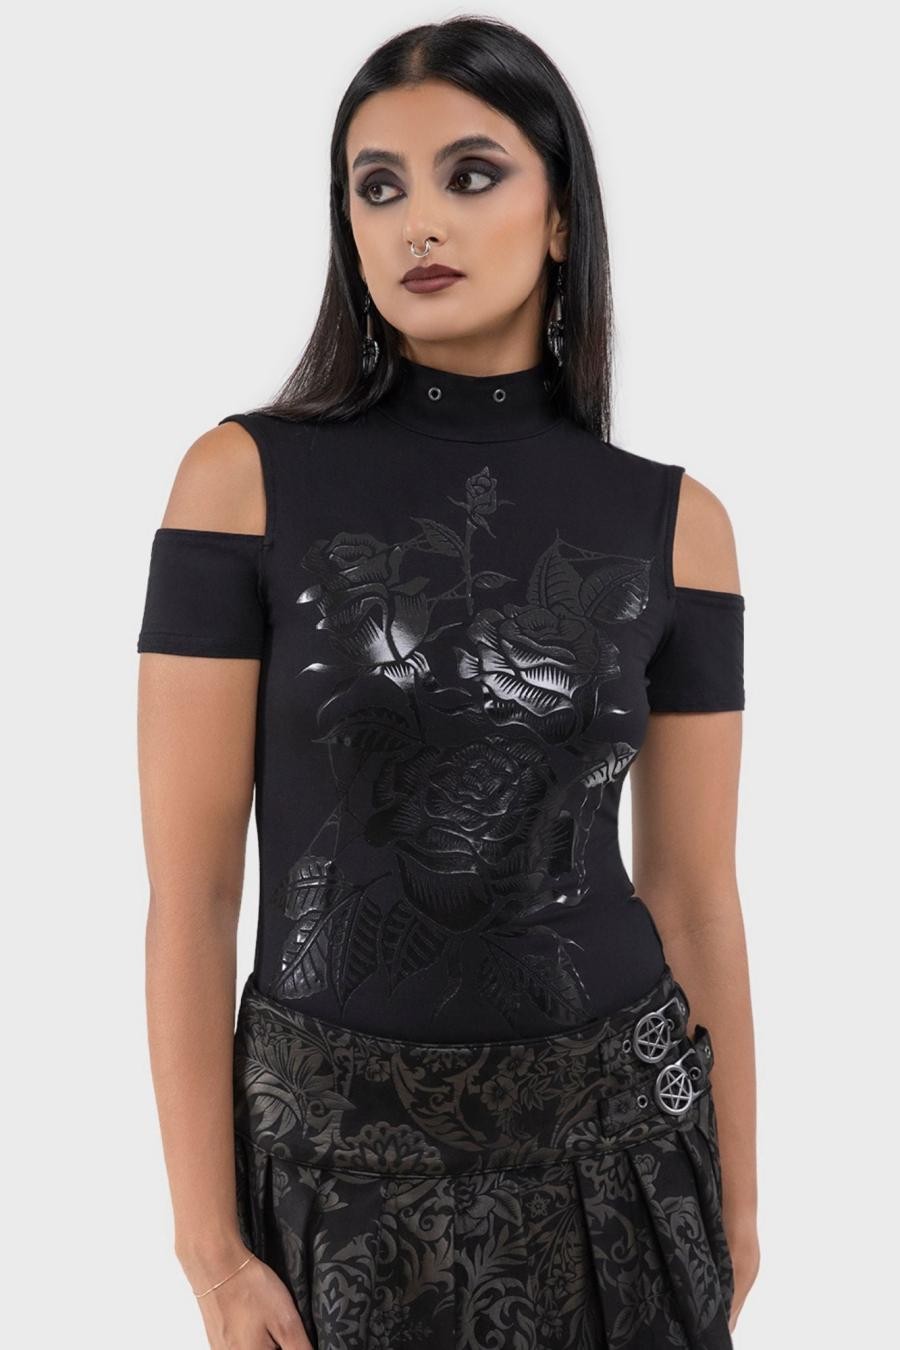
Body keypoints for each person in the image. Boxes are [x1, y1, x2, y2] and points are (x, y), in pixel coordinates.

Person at [136, 16, 759, 1350]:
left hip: (623, 1162)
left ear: (559, 218)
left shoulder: (679, 525)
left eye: (470, 174)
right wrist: (210, 1249)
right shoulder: (239, 484)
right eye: (378, 187)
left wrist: (740, 1207)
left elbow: (697, 890)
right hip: (331, 1180)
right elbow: (193, 895)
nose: (418, 219)